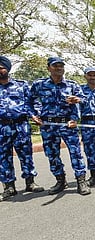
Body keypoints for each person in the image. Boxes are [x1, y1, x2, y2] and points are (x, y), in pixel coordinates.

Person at [29, 57, 91, 196]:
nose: (59, 68)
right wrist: (35, 114)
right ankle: (60, 180)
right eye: (55, 66)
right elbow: (29, 101)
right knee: (52, 154)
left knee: (75, 153)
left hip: (68, 124)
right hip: (48, 125)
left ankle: (81, 180)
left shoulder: (72, 85)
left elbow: (85, 101)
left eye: (61, 65)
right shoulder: (39, 85)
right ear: (48, 68)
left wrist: (78, 101)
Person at [0, 56, 44, 201]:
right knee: (3, 156)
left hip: (20, 125)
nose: (0, 70)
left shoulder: (21, 85)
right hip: (2, 126)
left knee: (26, 154)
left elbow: (32, 102)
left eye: (1, 67)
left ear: (7, 68)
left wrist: (35, 115)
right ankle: (9, 187)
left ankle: (30, 182)